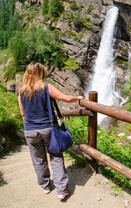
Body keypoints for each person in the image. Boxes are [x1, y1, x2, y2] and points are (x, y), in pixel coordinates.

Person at [18, 63, 84, 200]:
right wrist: (78, 98)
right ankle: (61, 190)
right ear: (41, 73)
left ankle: (46, 186)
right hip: (47, 129)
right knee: (56, 156)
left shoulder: (21, 92)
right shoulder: (46, 87)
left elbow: (23, 115)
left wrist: (31, 127)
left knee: (38, 159)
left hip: (30, 131)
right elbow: (65, 98)